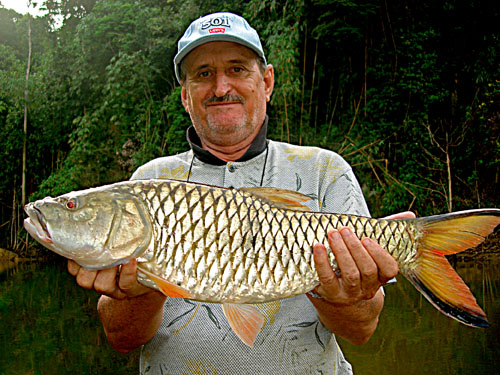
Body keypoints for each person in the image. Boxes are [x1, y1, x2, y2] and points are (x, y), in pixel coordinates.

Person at [68, 12, 414, 374]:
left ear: (266, 82)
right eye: (203, 74)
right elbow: (121, 337)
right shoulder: (149, 183)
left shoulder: (325, 171)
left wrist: (344, 297)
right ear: (185, 96)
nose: (221, 88)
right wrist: (141, 291)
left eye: (237, 69)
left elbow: (361, 329)